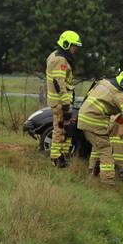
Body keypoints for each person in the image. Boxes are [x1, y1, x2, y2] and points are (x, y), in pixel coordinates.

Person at [46, 30, 80, 168]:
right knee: (59, 129)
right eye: (73, 46)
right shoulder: (60, 59)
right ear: (66, 44)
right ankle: (56, 158)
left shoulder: (55, 55)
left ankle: (63, 154)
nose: (75, 49)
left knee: (67, 128)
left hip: (62, 101)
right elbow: (58, 83)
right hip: (60, 102)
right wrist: (66, 103)